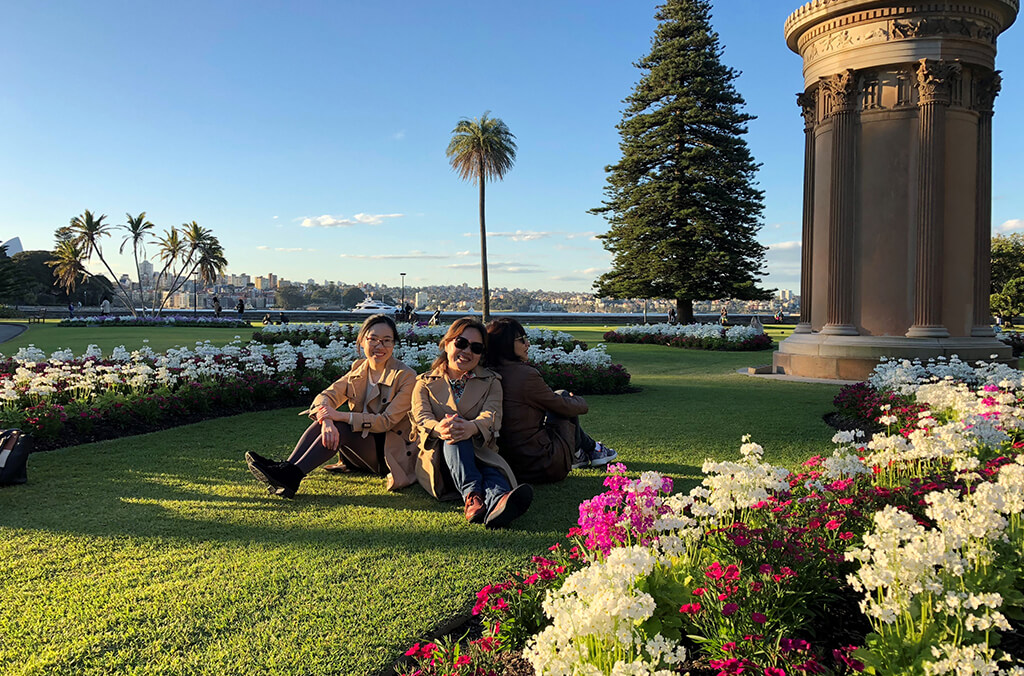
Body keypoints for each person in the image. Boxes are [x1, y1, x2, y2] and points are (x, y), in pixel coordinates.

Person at [245, 314, 418, 498]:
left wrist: (340, 416)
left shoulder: (406, 376)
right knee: (324, 422)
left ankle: (290, 475)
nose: (379, 346)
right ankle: (285, 470)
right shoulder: (359, 369)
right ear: (361, 341)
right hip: (358, 451)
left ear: (394, 344)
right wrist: (327, 419)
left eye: (386, 341)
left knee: (342, 426)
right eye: (373, 339)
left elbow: (386, 422)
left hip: (388, 455)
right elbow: (326, 396)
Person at [411, 317, 532, 529]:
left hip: (481, 453)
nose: (467, 351)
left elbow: (492, 415)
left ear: (481, 354)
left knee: (486, 464)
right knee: (453, 434)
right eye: (461, 343)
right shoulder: (424, 383)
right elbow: (421, 417)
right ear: (447, 344)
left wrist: (471, 427)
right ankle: (475, 494)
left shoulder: (492, 382)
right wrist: (440, 428)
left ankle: (494, 503)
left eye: (476, 348)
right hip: (441, 461)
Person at [485, 318, 617, 484]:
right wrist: (578, 401)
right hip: (540, 464)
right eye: (522, 340)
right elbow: (560, 405)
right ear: (505, 344)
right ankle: (589, 449)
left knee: (559, 401)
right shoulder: (524, 376)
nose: (528, 344)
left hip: (506, 464)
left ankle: (586, 451)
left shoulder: (485, 373)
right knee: (563, 397)